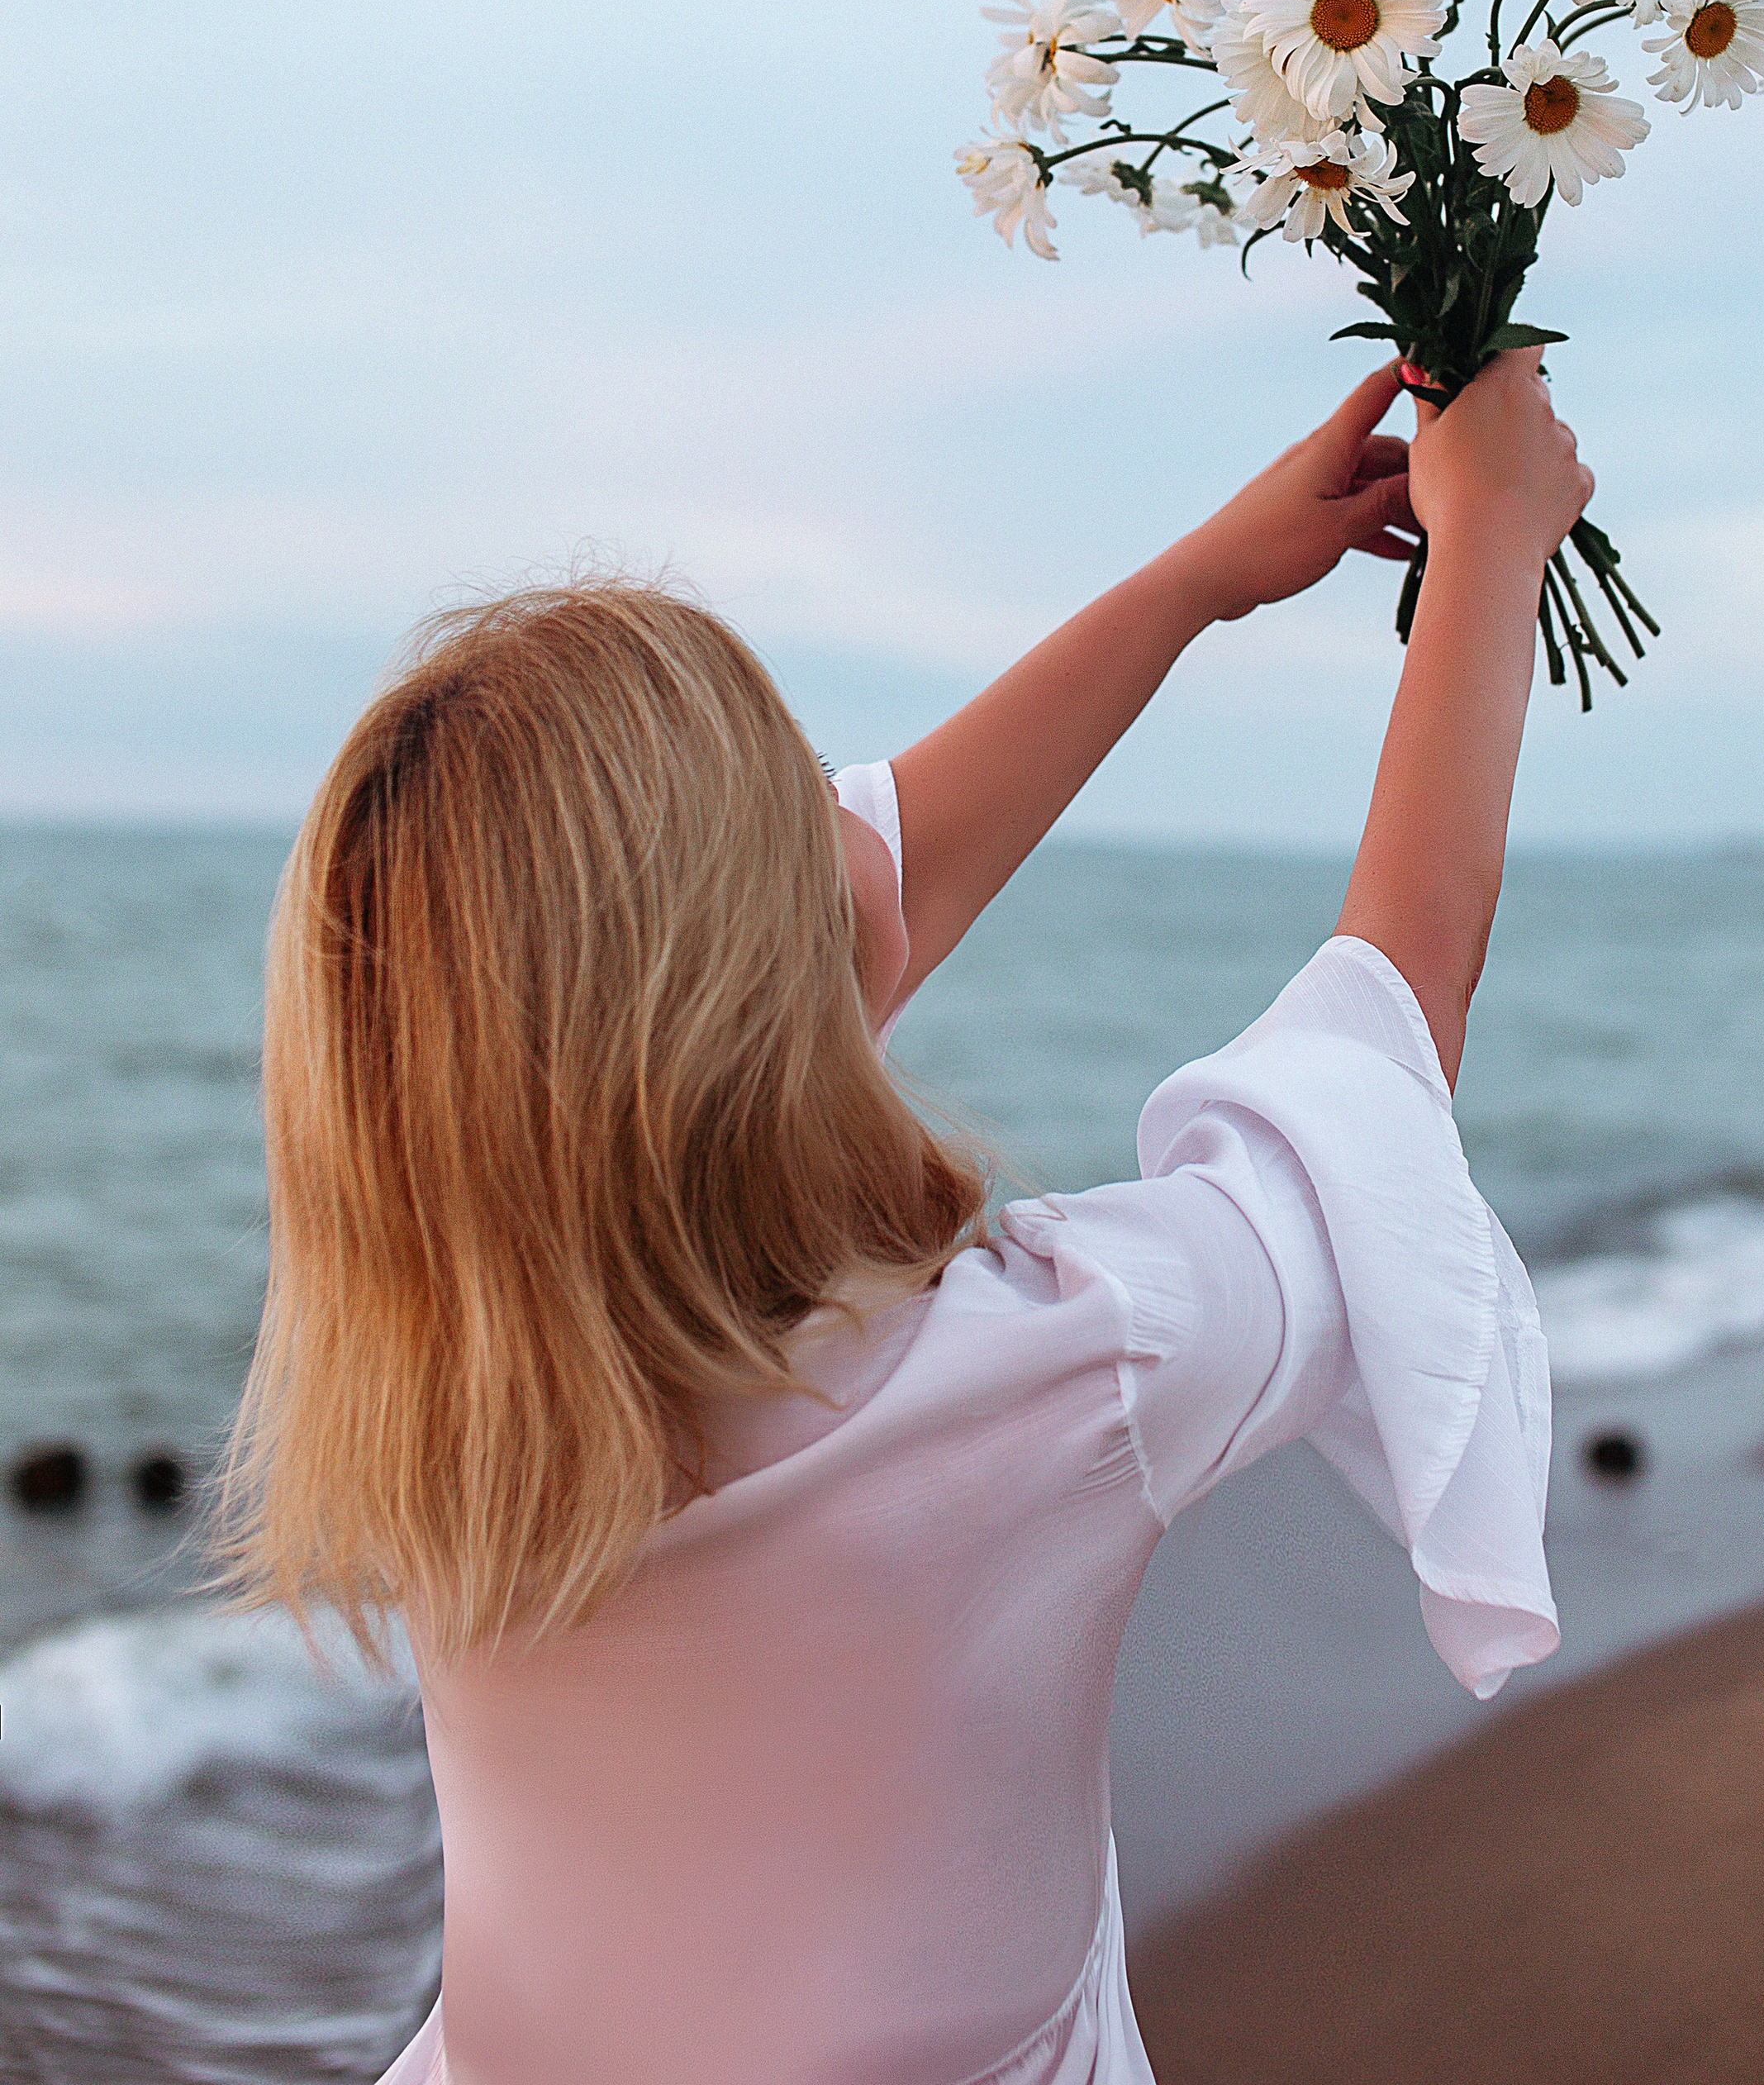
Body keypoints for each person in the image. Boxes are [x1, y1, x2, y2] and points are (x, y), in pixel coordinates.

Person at [221, 352, 1588, 2085]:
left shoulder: (455, 1375)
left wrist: (1192, 587)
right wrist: (1491, 548)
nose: (853, 813)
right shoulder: (1056, 1376)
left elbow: (854, 897)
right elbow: (1377, 1058)